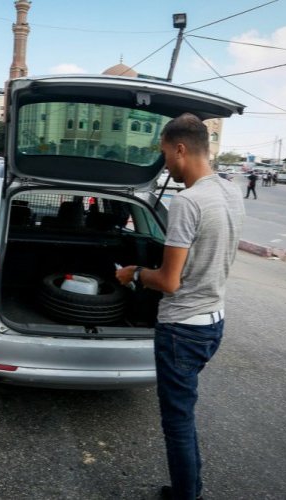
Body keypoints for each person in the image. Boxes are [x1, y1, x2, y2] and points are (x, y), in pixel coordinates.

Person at [115, 113, 245, 500]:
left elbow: (169, 281)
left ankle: (187, 494)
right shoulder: (231, 192)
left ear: (181, 149)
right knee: (184, 415)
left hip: (183, 328)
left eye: (165, 153)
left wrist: (134, 273)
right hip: (214, 321)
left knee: (178, 422)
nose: (165, 162)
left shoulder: (189, 201)